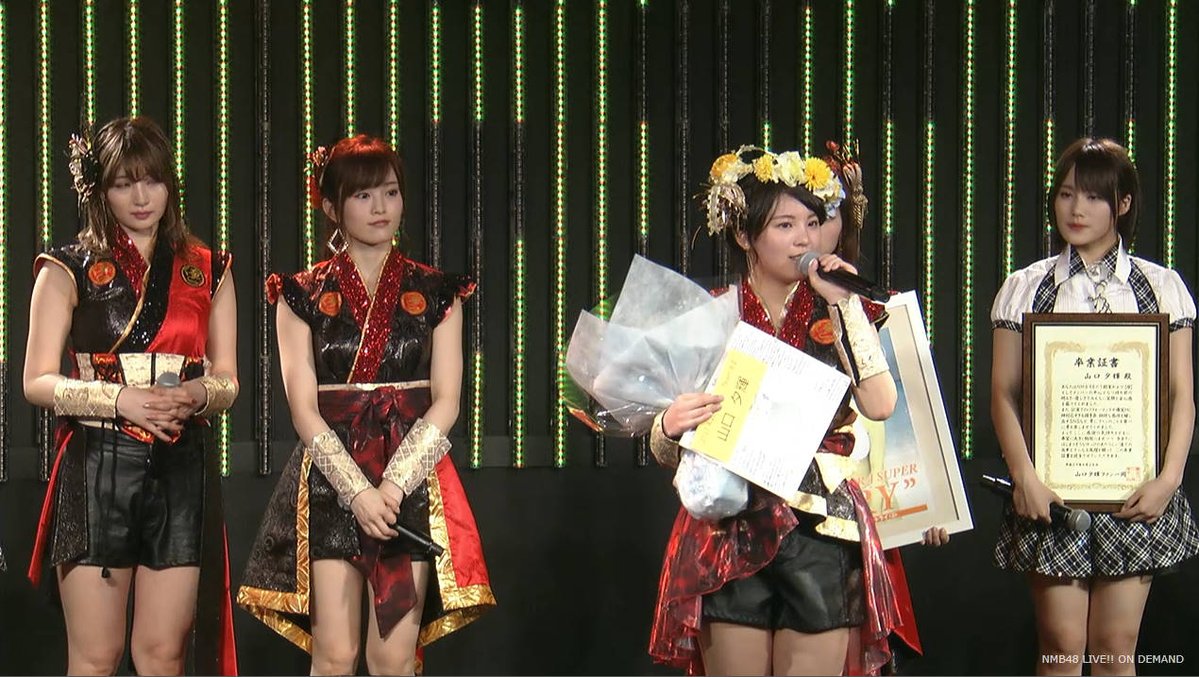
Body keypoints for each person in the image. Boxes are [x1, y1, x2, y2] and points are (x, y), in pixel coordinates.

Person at [238, 134, 495, 675]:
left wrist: (393, 487)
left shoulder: (438, 292)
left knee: (392, 660)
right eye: (363, 195)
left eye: (391, 192)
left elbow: (447, 401)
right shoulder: (300, 294)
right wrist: (357, 492)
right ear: (331, 207)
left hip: (409, 475)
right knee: (334, 656)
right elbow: (303, 409)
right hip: (332, 478)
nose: (381, 207)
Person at [647, 145, 902, 676]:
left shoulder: (839, 307)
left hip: (819, 527)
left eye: (811, 223)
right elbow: (670, 449)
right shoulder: (713, 314)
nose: (804, 239)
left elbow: (880, 403)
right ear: (745, 235)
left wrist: (843, 304)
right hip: (728, 525)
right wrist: (667, 426)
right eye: (785, 225)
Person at [23, 116, 238, 676]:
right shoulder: (65, 267)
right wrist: (120, 400)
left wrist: (197, 393)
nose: (141, 198)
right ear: (100, 190)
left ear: (170, 184)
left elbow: (228, 380)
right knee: (96, 657)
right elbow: (37, 380)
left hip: (180, 466)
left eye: (152, 180)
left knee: (163, 655)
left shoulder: (208, 268)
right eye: (123, 184)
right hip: (97, 464)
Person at [990, 137, 1199, 675]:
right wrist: (1026, 478)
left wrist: (1169, 480)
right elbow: (1003, 394)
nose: (1076, 209)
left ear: (1122, 204)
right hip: (1053, 492)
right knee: (1061, 647)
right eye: (1065, 194)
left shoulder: (1161, 287)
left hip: (1135, 490)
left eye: (1092, 196)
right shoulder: (1025, 287)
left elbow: (1181, 395)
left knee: (1114, 648)